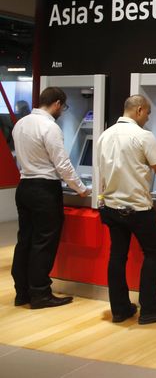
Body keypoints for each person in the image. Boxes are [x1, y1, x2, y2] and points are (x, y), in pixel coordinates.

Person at [96, 95, 156, 324]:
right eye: (148, 113)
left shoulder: (104, 135)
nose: (149, 118)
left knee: (117, 256)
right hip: (137, 208)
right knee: (153, 253)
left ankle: (120, 310)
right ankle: (150, 308)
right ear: (139, 110)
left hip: (111, 207)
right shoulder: (143, 136)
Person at [11, 87, 90, 308]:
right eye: (63, 107)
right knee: (43, 242)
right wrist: (81, 189)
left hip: (24, 186)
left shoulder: (21, 123)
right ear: (56, 104)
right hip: (44, 190)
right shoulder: (50, 127)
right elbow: (62, 164)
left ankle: (22, 292)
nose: (62, 112)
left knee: (25, 240)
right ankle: (41, 294)